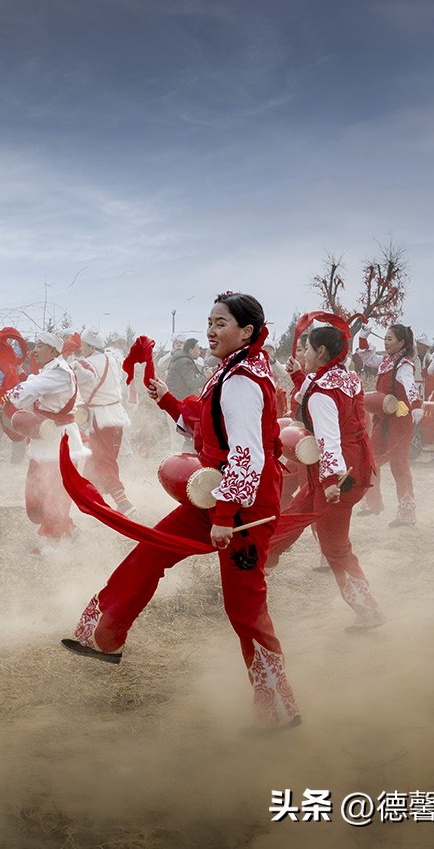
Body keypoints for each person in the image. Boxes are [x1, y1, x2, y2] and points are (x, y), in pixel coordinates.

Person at [63, 293, 301, 732]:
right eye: (209, 321)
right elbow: (212, 426)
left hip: (242, 506)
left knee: (244, 606)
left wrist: (226, 518)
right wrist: (168, 400)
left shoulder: (242, 381)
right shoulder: (233, 370)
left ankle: (278, 706)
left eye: (222, 323)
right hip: (216, 494)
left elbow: (246, 457)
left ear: (247, 332)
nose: (210, 330)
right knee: (152, 549)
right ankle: (105, 635)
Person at [266, 325, 384, 629]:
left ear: (320, 352)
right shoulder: (347, 377)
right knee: (297, 509)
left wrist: (331, 482)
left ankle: (368, 610)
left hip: (338, 473)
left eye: (306, 348)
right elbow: (319, 389)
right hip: (354, 464)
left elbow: (328, 440)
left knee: (334, 545)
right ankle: (261, 559)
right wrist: (297, 377)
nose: (302, 353)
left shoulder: (321, 392)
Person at [3, 332, 87, 549]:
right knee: (40, 490)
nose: (35, 350)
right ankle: (69, 530)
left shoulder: (58, 373)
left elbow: (25, 393)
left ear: (53, 350)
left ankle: (53, 546)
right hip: (48, 437)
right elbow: (30, 395)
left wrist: (9, 395)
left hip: (58, 438)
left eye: (40, 346)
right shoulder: (51, 371)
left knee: (54, 492)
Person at [356, 324, 423, 526]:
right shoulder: (386, 361)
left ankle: (407, 513)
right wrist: (363, 337)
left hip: (400, 419)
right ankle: (372, 503)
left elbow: (411, 386)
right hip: (383, 417)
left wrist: (417, 406)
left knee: (399, 463)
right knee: (371, 458)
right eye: (385, 338)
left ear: (401, 343)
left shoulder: (404, 365)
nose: (386, 342)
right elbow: (367, 358)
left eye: (390, 339)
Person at [73, 329, 133, 515]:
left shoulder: (84, 365)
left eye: (83, 344)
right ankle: (92, 501)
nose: (80, 347)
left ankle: (123, 502)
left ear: (90, 346)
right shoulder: (113, 359)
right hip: (117, 415)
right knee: (94, 460)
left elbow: (74, 381)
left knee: (102, 461)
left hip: (100, 419)